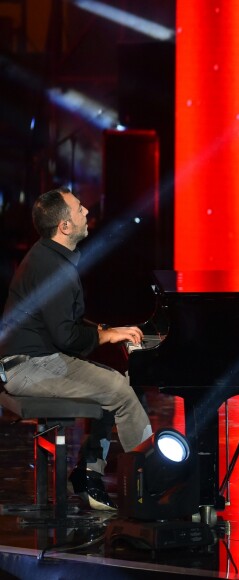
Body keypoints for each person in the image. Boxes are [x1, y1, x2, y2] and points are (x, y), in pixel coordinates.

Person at [0, 187, 152, 510]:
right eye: (80, 208)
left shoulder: (50, 257)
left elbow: (65, 322)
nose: (86, 212)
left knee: (116, 384)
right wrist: (106, 335)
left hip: (36, 358)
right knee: (119, 390)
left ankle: (88, 473)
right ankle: (151, 483)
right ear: (64, 227)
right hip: (28, 366)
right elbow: (65, 336)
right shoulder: (51, 266)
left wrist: (104, 332)